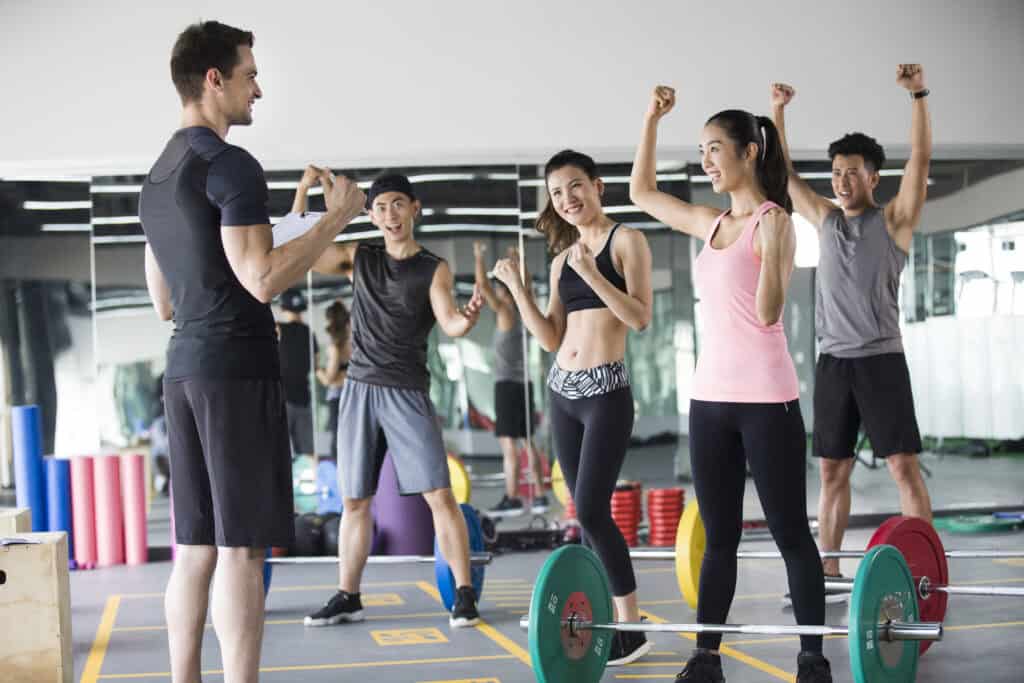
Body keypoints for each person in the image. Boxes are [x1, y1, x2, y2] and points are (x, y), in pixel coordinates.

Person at [139, 20, 365, 682]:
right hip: (234, 374)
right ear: (214, 79)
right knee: (240, 550)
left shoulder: (157, 176)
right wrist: (336, 217)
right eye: (249, 75)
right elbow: (261, 277)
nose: (258, 89)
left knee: (196, 549)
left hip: (183, 373)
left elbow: (164, 303)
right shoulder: (229, 165)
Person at [630, 86, 831, 682]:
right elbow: (642, 193)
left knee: (791, 532)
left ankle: (812, 658)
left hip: (768, 401)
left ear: (747, 152)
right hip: (710, 401)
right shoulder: (712, 222)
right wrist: (651, 119)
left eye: (715, 149)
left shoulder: (775, 223)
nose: (706, 161)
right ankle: (706, 657)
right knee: (718, 538)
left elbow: (769, 313)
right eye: (700, 151)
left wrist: (773, 254)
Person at [770, 66, 933, 585]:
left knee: (902, 467)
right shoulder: (825, 219)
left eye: (852, 172)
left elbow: (921, 160)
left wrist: (918, 96)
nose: (841, 180)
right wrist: (776, 113)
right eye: (836, 172)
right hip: (834, 363)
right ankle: (830, 570)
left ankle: (925, 568)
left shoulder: (894, 222)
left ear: (872, 178)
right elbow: (784, 175)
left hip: (882, 360)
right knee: (831, 471)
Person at [492, 149, 654, 666]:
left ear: (597, 185)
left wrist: (596, 274)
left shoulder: (627, 241)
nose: (567, 199)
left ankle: (633, 628)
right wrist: (518, 289)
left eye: (574, 186)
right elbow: (549, 337)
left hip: (607, 392)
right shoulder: (562, 259)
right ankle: (603, 615)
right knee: (582, 516)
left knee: (590, 509)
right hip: (562, 391)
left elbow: (640, 318)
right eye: (557, 193)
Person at [303, 172, 486, 629]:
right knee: (354, 501)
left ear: (414, 208)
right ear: (371, 214)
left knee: (440, 495)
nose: (390, 214)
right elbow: (306, 251)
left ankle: (464, 595)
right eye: (381, 207)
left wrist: (466, 322)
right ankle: (349, 595)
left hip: (406, 390)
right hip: (358, 389)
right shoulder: (358, 256)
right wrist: (308, 197)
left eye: (398, 204)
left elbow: (449, 321)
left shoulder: (433, 267)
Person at [472, 241, 548, 517]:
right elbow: (525, 287)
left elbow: (482, 286)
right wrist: (519, 260)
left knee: (508, 446)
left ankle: (513, 497)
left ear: (506, 295)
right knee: (528, 442)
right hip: (523, 385)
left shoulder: (505, 312)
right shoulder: (523, 313)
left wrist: (478, 256)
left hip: (506, 386)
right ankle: (540, 495)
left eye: (502, 293)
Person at [276, 287, 317, 455]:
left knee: (279, 453)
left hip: (281, 397)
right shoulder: (309, 333)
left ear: (283, 308)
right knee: (307, 452)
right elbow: (315, 364)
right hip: (303, 398)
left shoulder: (277, 329)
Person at [317, 299, 351, 461]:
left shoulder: (335, 347)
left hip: (338, 398)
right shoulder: (354, 344)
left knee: (336, 441)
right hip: (353, 397)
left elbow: (329, 379)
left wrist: (317, 370)